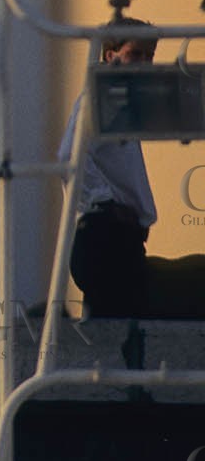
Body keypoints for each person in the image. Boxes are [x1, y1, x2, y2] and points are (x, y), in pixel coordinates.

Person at [59, 20, 157, 317]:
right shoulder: (101, 98)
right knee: (114, 337)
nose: (144, 63)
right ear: (110, 55)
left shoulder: (122, 102)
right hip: (106, 236)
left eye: (149, 56)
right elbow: (68, 156)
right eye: (135, 54)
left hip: (121, 238)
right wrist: (107, 202)